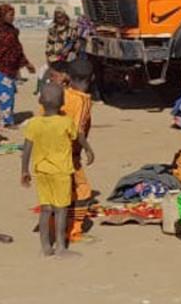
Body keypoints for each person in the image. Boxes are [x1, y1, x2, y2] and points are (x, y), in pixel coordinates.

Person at [20, 83, 93, 258]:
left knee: (45, 209)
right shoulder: (65, 122)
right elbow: (79, 136)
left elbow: (27, 148)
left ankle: (45, 246)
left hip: (41, 171)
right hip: (61, 172)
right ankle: (61, 246)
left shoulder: (33, 123)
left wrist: (24, 170)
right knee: (61, 209)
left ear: (40, 101)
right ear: (62, 103)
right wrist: (88, 150)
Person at [62, 58, 97, 243]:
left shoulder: (60, 94)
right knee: (82, 191)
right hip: (70, 155)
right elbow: (78, 131)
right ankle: (74, 229)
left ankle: (54, 226)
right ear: (91, 78)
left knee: (60, 190)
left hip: (53, 152)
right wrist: (88, 149)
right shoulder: (82, 100)